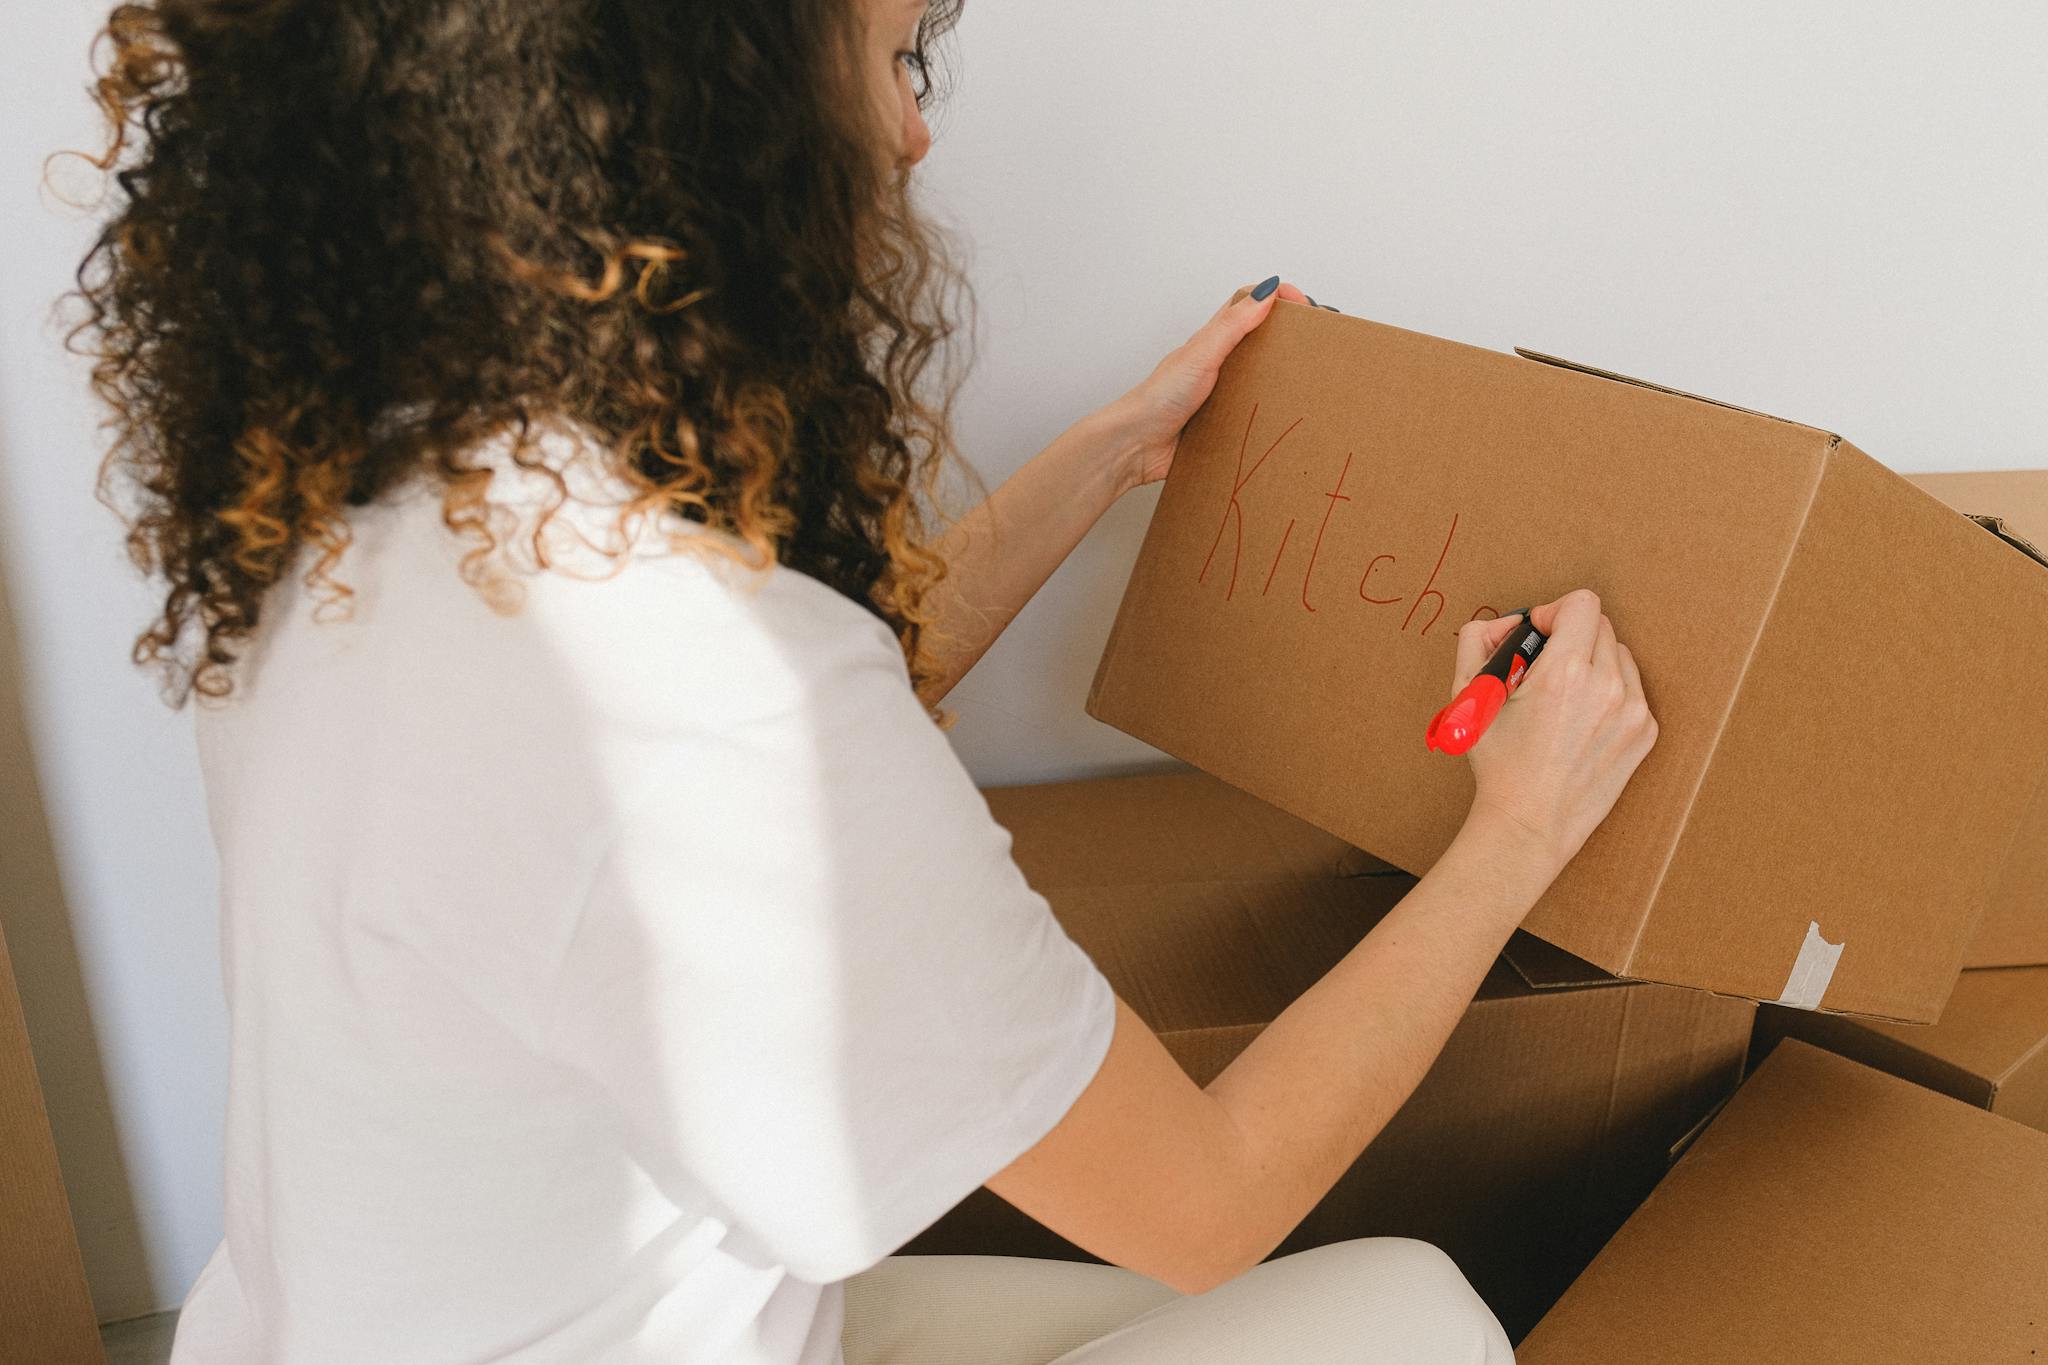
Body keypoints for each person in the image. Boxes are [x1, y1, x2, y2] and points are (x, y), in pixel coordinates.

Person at [61, 0, 1654, 1360]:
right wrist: (1517, 829)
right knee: (1415, 1312)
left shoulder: (373, 495)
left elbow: (804, 721)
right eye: (895, 61)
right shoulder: (710, 691)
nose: (913, 133)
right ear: (706, 106)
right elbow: (1210, 1203)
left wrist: (1103, 457)